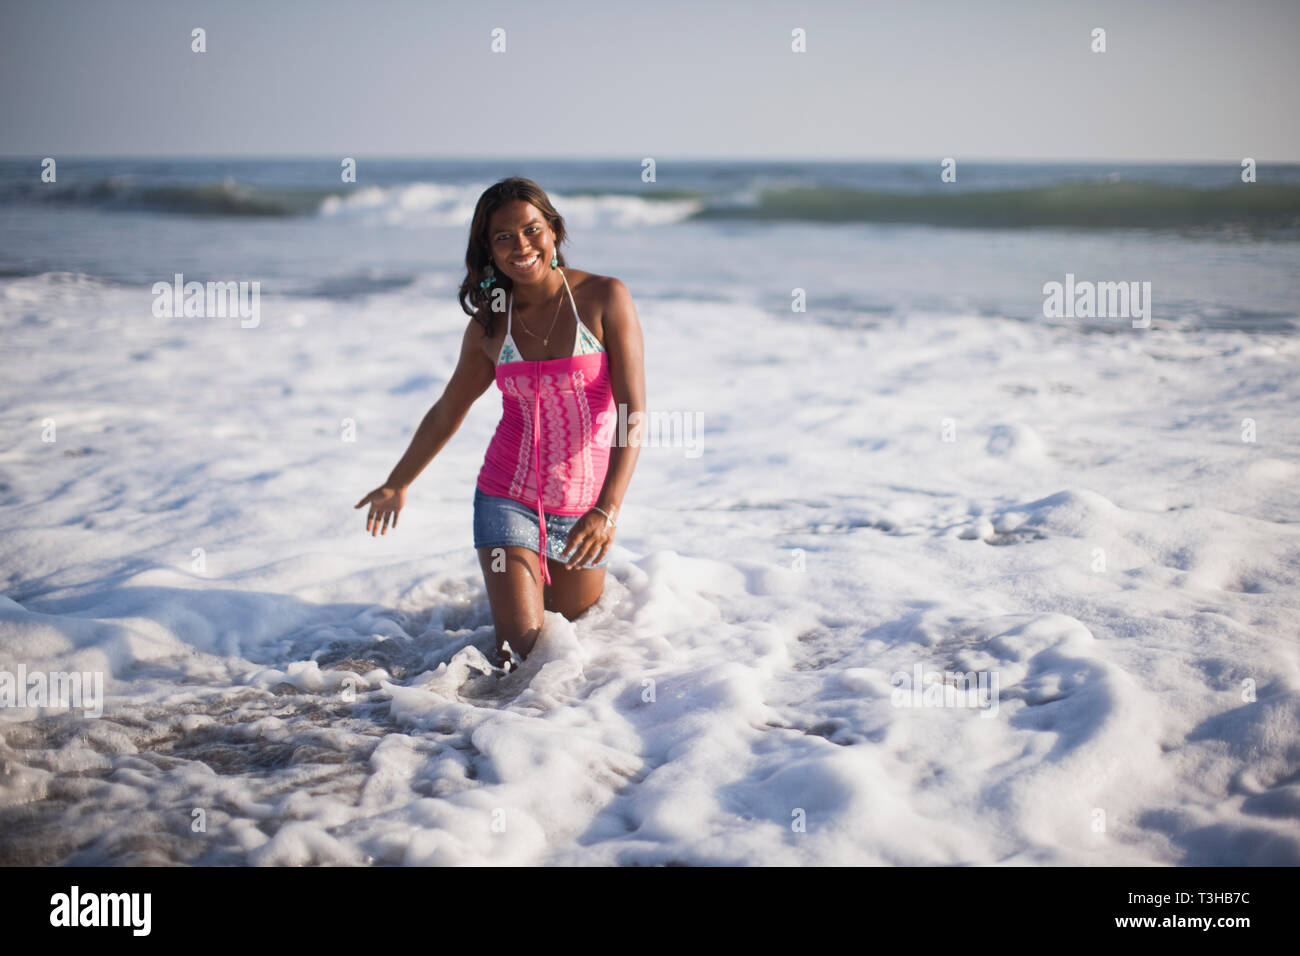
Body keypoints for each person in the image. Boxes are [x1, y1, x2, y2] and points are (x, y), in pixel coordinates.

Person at [355, 177, 646, 670]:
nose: (522, 246)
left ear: (553, 230)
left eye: (532, 230)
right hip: (506, 495)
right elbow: (450, 407)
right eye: (504, 237)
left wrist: (608, 509)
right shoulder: (491, 323)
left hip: (583, 507)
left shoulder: (604, 297)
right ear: (488, 249)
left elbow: (630, 413)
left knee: (575, 640)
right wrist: (397, 482)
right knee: (525, 657)